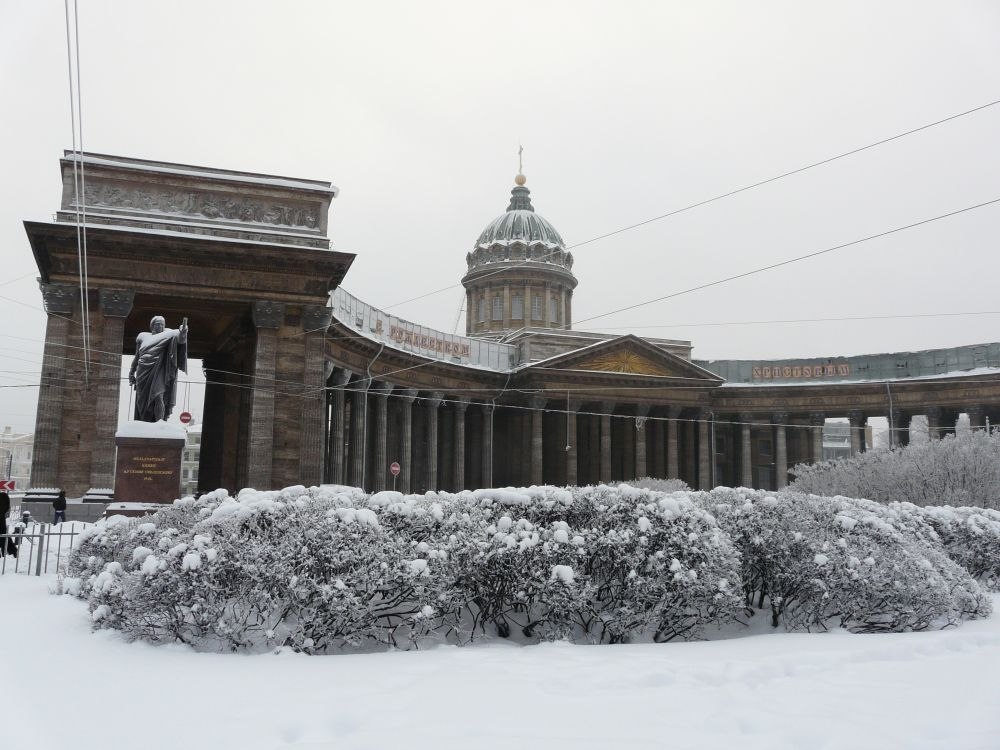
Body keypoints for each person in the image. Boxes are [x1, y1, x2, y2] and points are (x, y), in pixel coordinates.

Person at [128, 315, 188, 422]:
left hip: (159, 370)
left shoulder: (169, 333)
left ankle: (160, 423)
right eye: (157, 324)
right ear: (152, 326)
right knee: (141, 402)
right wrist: (131, 372)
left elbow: (180, 339)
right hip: (142, 372)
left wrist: (183, 333)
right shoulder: (142, 337)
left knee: (158, 395)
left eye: (162, 324)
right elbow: (137, 356)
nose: (159, 326)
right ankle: (143, 420)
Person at [0, 490, 12, 557]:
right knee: (3, 536)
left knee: (3, 536)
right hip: (2, 519)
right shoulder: (4, 496)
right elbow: (7, 507)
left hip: (1, 519)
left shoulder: (3, 496)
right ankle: (6, 551)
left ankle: (7, 551)